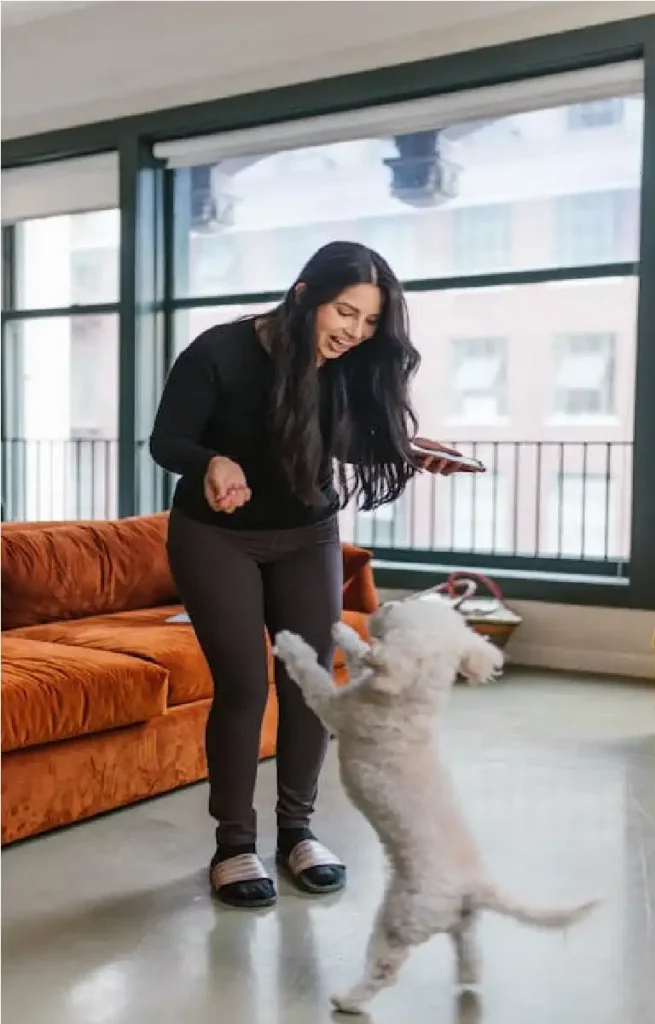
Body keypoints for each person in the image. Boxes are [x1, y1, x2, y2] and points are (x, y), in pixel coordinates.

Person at [150, 240, 476, 909]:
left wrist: (406, 449)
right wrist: (210, 461)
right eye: (344, 312)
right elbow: (167, 440)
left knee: (306, 681)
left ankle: (297, 832)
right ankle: (234, 846)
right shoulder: (219, 351)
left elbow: (336, 439)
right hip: (216, 537)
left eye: (367, 323)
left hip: (307, 534)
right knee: (243, 686)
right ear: (304, 295)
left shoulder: (343, 366)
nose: (353, 333)